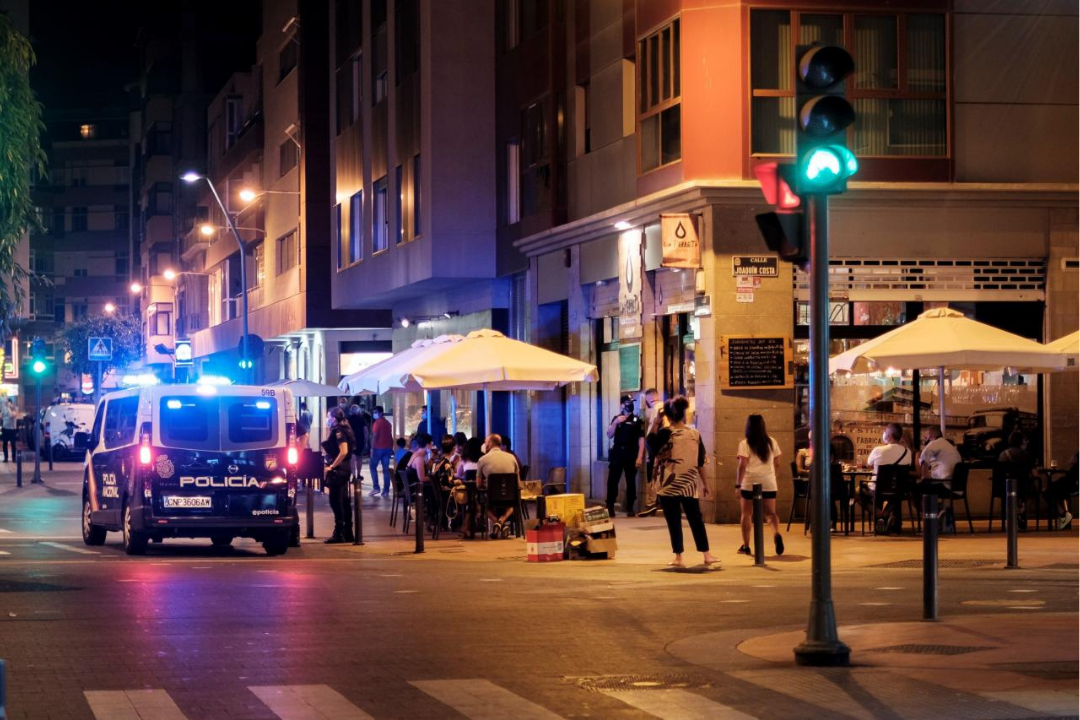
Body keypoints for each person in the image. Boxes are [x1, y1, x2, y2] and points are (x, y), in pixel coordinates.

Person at [652, 396, 718, 568]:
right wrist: (706, 485)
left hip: (668, 483)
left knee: (673, 521)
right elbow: (700, 461)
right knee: (696, 519)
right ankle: (707, 554)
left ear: (667, 416)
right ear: (683, 414)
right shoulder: (694, 434)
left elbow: (651, 447)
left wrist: (655, 422)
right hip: (689, 483)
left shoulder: (664, 433)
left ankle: (679, 557)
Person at [735, 414, 784, 557]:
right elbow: (777, 463)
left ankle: (746, 546)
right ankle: (776, 533)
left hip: (750, 482)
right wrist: (772, 477)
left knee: (746, 514)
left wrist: (738, 485)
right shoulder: (772, 442)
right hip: (768, 482)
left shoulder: (745, 444)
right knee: (771, 513)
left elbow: (742, 466)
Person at [606, 394, 645, 517]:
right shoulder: (616, 419)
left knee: (631, 481)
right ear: (622, 405)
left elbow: (641, 439)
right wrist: (616, 423)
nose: (630, 405)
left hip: (631, 453)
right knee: (613, 481)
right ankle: (610, 506)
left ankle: (630, 507)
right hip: (617, 453)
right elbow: (609, 434)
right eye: (628, 403)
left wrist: (639, 456)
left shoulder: (637, 420)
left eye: (632, 402)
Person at [476, 434, 520, 538]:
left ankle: (497, 522)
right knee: (512, 506)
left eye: (486, 442)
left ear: (490, 443)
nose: (485, 444)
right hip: (510, 497)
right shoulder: (512, 457)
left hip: (491, 498)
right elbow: (517, 482)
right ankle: (502, 522)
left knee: (479, 503)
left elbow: (478, 484)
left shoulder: (483, 459)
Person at [321, 409, 356, 544]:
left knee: (336, 501)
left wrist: (332, 466)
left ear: (334, 418)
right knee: (344, 501)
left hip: (339, 469)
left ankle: (339, 533)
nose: (327, 419)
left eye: (328, 417)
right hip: (345, 468)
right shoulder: (347, 428)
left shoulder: (339, 430)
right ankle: (348, 532)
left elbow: (343, 451)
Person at [997, 431, 1035, 528]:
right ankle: (1021, 510)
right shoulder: (1026, 455)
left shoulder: (1003, 455)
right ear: (1022, 441)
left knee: (1012, 494)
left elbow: (999, 473)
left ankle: (1013, 513)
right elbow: (1035, 474)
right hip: (1023, 488)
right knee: (1034, 490)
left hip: (1005, 488)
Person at [638, 388, 662, 517]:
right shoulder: (665, 406)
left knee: (653, 476)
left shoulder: (655, 409)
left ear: (650, 397)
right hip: (664, 448)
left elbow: (653, 430)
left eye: (646, 399)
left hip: (656, 448)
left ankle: (652, 503)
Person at [1047, 451, 1078, 529]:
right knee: (1054, 493)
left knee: (1048, 493)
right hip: (1071, 487)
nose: (1071, 457)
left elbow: (1069, 480)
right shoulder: (1074, 469)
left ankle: (1063, 514)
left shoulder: (1075, 469)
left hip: (1071, 488)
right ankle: (1064, 515)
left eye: (1073, 456)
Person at [368, 406, 394, 497]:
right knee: (386, 470)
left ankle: (376, 488)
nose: (374, 414)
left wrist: (371, 449)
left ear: (380, 413)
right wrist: (391, 448)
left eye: (375, 412)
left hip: (378, 448)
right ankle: (386, 491)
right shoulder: (388, 423)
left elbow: (374, 436)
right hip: (387, 449)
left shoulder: (377, 423)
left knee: (372, 467)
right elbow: (390, 436)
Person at [347, 404, 368, 483]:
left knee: (352, 459)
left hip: (351, 441)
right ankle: (359, 474)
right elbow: (365, 430)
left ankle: (353, 475)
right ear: (358, 410)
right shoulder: (361, 419)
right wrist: (366, 441)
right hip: (360, 440)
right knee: (359, 458)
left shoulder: (348, 419)